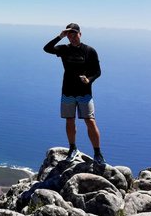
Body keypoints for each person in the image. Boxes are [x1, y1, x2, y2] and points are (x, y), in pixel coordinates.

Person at [43, 23, 105, 166]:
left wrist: (89, 80)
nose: (72, 38)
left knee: (90, 121)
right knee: (70, 120)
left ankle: (97, 153)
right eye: (69, 35)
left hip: (85, 93)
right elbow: (46, 49)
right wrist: (60, 36)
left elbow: (98, 71)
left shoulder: (89, 51)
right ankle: (72, 148)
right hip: (68, 91)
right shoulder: (64, 49)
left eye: (74, 34)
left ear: (80, 34)